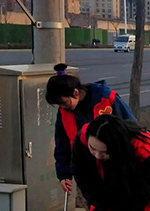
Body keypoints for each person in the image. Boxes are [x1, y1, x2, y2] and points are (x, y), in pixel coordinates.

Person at [46, 63, 135, 194]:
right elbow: (62, 144)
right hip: (88, 172)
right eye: (59, 104)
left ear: (76, 93)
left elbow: (131, 127)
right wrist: (64, 174)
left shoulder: (106, 99)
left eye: (64, 102)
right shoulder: (64, 112)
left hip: (116, 167)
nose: (62, 107)